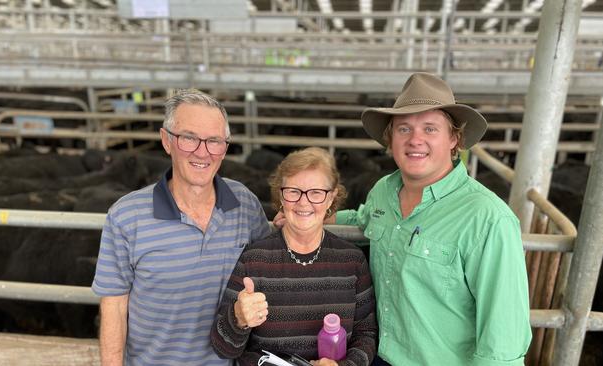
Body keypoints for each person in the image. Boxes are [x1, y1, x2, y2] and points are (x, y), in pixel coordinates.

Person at [276, 73, 532, 365]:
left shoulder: (488, 219)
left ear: (454, 139)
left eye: (430, 129)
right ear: (391, 139)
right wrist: (309, 214)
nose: (415, 140)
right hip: (377, 356)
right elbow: (363, 220)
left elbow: (503, 343)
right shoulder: (384, 190)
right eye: (404, 129)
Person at [92, 89, 271, 366]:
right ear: (166, 141)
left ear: (225, 147)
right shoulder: (126, 216)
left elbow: (268, 270)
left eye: (214, 141)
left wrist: (296, 225)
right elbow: (114, 308)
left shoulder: (245, 205)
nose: (203, 152)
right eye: (189, 138)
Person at [211, 147, 377, 366]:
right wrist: (238, 319)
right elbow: (222, 347)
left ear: (331, 198)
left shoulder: (352, 260)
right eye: (293, 191)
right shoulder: (253, 260)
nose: (304, 202)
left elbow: (366, 334)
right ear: (281, 195)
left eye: (316, 192)